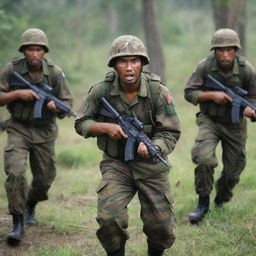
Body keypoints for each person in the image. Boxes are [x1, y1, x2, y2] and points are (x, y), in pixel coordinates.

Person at [75, 35, 181, 256]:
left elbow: (171, 131)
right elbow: (81, 122)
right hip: (117, 164)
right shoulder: (101, 91)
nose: (129, 67)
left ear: (142, 63)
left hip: (151, 166)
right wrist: (106, 128)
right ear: (114, 65)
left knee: (160, 226)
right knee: (109, 218)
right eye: (123, 61)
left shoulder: (157, 92)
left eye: (135, 61)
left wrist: (156, 147)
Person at [0, 28, 73, 242]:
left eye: (39, 50)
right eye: (30, 49)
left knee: (44, 179)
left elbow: (67, 103)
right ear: (24, 50)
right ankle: (17, 222)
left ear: (44, 51)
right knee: (15, 172)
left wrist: (56, 107)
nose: (34, 54)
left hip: (45, 131)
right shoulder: (11, 69)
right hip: (18, 128)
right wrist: (17, 94)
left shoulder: (55, 73)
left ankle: (30, 205)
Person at [184, 28, 256, 224]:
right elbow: (189, 92)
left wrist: (248, 110)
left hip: (235, 125)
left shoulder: (246, 70)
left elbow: (253, 97)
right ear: (214, 51)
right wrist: (210, 95)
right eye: (220, 50)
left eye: (229, 50)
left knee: (233, 171)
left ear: (236, 50)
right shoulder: (205, 67)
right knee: (204, 159)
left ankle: (220, 200)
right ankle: (203, 204)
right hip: (210, 120)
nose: (225, 54)